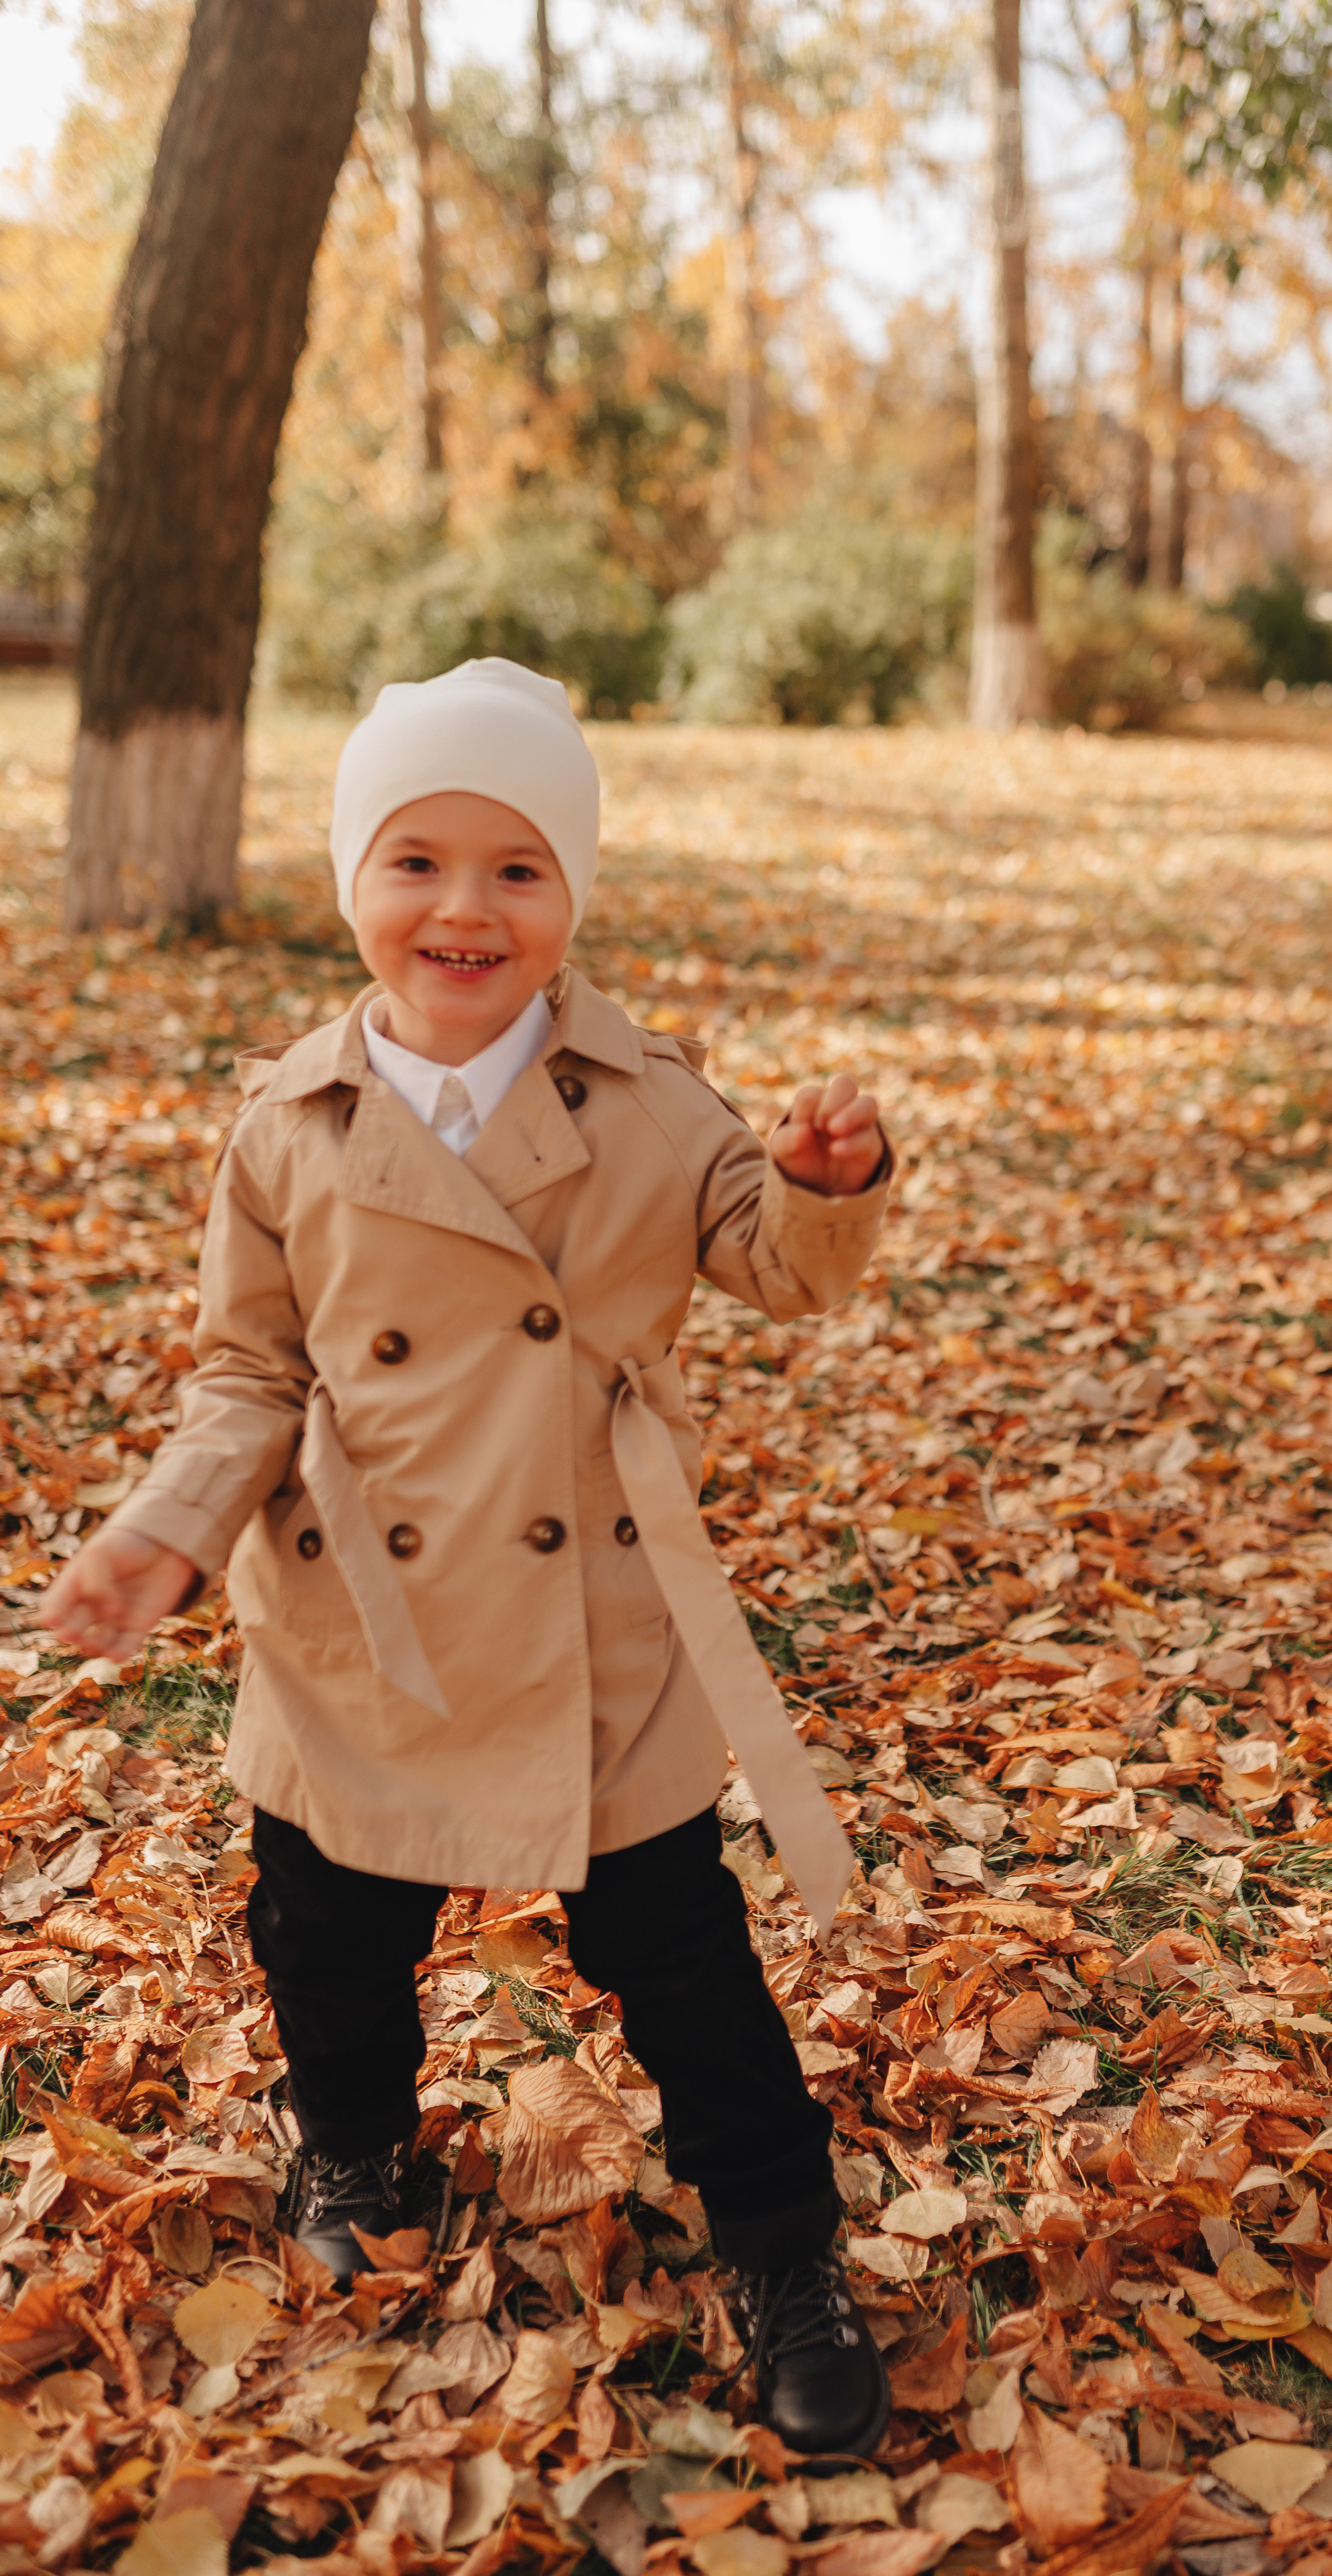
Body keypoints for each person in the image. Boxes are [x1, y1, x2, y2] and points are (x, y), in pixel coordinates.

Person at [41, 659, 895, 2459]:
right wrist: (160, 1534)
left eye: (517, 867)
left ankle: (782, 2247)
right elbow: (245, 1373)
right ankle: (356, 2148)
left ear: (571, 897)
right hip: (357, 1630)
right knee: (325, 1943)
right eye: (416, 858)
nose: (464, 907)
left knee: (690, 1972)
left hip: (591, 1624)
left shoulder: (649, 1101)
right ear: (356, 882)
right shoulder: (290, 1123)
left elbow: (785, 1269)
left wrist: (828, 1178)